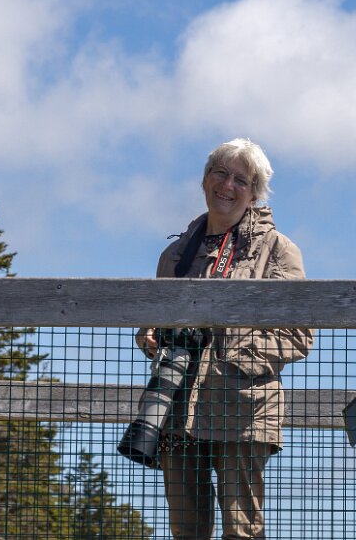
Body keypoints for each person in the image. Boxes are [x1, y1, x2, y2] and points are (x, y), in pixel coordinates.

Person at [135, 138, 313, 540]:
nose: (228, 185)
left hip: (244, 411)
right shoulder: (177, 254)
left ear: (253, 194)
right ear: (204, 180)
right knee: (187, 531)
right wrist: (153, 337)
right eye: (221, 173)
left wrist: (235, 356)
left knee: (240, 531)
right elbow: (149, 325)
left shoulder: (278, 251)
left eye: (241, 180)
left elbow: (300, 334)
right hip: (177, 410)